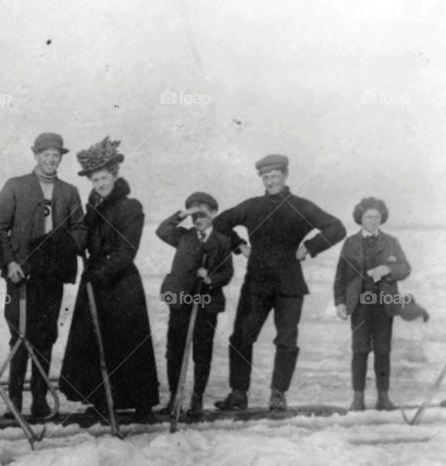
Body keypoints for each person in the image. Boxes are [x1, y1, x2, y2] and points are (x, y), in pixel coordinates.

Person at [212, 154, 346, 411]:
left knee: (286, 341)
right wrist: (239, 246)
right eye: (266, 177)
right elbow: (220, 223)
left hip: (290, 286)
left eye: (274, 176)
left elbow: (336, 228)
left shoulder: (301, 206)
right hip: (256, 285)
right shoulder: (252, 206)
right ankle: (238, 394)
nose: (270, 181)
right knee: (241, 338)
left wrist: (310, 247)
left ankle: (278, 394)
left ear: (285, 175)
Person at [59, 137, 160, 423]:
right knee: (97, 341)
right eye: (95, 180)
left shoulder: (130, 207)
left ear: (115, 176)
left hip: (121, 285)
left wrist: (100, 272)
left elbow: (127, 250)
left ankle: (141, 403)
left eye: (104, 178)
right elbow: (85, 238)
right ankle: (105, 399)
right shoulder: (93, 208)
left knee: (128, 342)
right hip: (95, 282)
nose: (100, 184)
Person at [0, 132, 84, 421]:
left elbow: (80, 228)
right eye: (46, 155)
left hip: (51, 275)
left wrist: (62, 246)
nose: (51, 160)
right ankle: (15, 401)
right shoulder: (15, 186)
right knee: (20, 335)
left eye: (56, 155)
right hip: (21, 275)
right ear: (36, 155)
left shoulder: (69, 192)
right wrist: (9, 263)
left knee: (45, 336)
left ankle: (40, 401)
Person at [334, 197, 426, 411]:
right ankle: (358, 399)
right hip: (359, 304)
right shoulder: (350, 243)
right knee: (360, 350)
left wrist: (387, 270)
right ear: (360, 218)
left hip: (384, 303)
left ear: (382, 218)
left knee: (383, 350)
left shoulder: (391, 241)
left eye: (376, 217)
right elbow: (341, 276)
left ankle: (383, 398)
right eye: (368, 217)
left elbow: (405, 268)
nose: (373, 221)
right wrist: (340, 302)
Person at [156, 192, 234, 418]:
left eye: (202, 214)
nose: (197, 219)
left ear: (213, 213)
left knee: (202, 351)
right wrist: (183, 214)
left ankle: (197, 398)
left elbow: (227, 272)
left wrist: (209, 278)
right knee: (175, 351)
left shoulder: (222, 241)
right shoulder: (183, 236)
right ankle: (174, 398)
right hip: (180, 301)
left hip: (205, 303)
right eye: (194, 215)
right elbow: (162, 230)